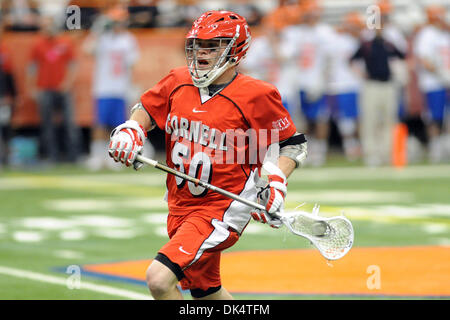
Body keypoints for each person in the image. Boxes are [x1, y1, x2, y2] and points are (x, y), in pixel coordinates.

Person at [108, 10, 308, 300]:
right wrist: (131, 130)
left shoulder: (255, 94)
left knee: (159, 279)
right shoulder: (178, 79)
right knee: (206, 292)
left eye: (212, 46)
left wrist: (276, 181)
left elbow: (291, 143)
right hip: (181, 204)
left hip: (222, 206)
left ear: (235, 50)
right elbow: (148, 108)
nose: (202, 52)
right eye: (198, 44)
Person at [83, 5, 140, 170]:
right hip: (103, 86)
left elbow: (131, 65)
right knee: (100, 123)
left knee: (119, 125)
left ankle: (114, 156)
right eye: (115, 21)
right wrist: (96, 31)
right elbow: (86, 50)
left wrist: (131, 86)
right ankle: (96, 155)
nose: (117, 25)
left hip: (120, 87)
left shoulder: (129, 39)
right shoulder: (102, 38)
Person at [279, 0, 334, 166]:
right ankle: (307, 149)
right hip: (299, 81)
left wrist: (324, 80)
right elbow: (285, 55)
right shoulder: (293, 32)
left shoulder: (325, 31)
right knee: (301, 119)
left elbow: (330, 59)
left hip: (316, 80)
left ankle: (321, 150)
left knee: (320, 117)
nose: (311, 16)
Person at [350, 14, 406, 167]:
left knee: (389, 119)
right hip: (371, 85)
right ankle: (371, 153)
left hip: (388, 84)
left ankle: (387, 152)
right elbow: (352, 60)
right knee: (370, 120)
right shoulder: (366, 44)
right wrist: (360, 74)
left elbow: (403, 56)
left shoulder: (389, 43)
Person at [28, 15, 80, 164]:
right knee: (47, 124)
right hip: (44, 87)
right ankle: (52, 155)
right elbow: (32, 67)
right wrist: (32, 87)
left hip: (63, 88)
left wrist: (68, 83)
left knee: (70, 123)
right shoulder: (38, 44)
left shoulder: (64, 42)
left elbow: (72, 65)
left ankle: (73, 156)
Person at [413, 5, 449, 163]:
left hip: (446, 81)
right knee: (435, 117)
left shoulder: (445, 34)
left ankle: (446, 146)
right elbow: (424, 60)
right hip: (433, 83)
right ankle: (435, 147)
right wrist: (442, 74)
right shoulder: (426, 35)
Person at [326, 12, 364, 161]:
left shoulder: (358, 41)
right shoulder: (339, 41)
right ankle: (350, 147)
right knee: (345, 119)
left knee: (356, 117)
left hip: (355, 84)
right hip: (342, 84)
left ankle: (356, 146)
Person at [0, 22, 17, 167]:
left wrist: (11, 94)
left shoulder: (4, 48)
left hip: (3, 97)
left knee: (5, 126)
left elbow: (8, 75)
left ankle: (6, 157)